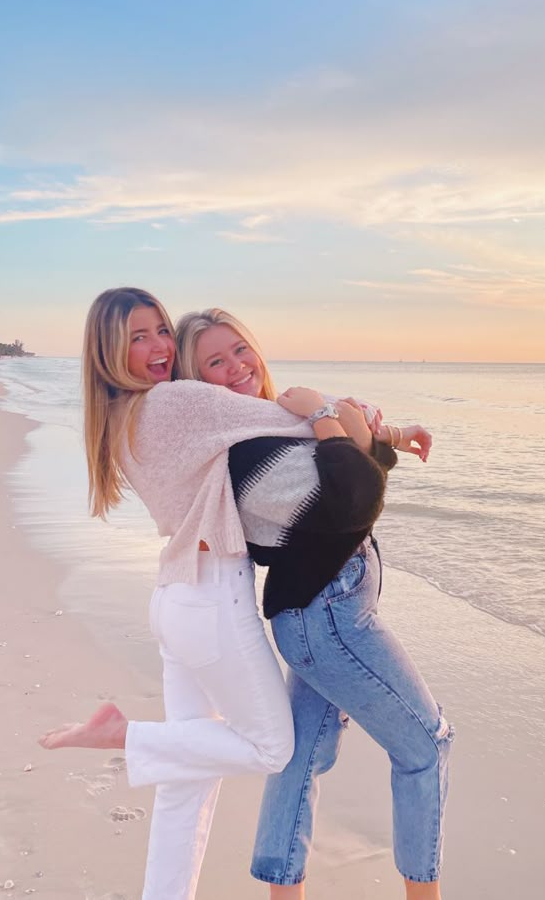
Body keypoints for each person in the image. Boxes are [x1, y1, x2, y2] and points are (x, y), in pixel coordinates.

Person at [38, 287, 389, 900]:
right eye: (136, 338)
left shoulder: (124, 417)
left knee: (186, 784)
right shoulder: (176, 402)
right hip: (211, 602)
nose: (156, 348)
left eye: (160, 331)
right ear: (107, 352)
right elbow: (297, 420)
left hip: (177, 600)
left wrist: (372, 423)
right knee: (273, 746)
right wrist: (326, 403)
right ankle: (122, 735)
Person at [176, 308, 451, 900]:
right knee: (427, 745)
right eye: (214, 362)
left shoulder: (269, 421)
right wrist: (329, 414)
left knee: (301, 762)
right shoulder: (243, 449)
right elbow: (353, 499)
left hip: (326, 612)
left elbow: (355, 459)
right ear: (196, 381)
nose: (236, 367)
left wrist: (383, 432)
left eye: (239, 349)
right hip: (328, 620)